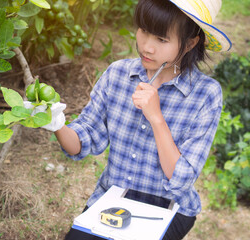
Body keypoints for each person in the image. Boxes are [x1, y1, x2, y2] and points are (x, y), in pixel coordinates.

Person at [25, 0, 232, 239]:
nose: (147, 47)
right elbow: (83, 141)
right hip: (114, 198)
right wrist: (57, 124)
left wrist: (156, 117)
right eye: (144, 31)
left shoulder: (206, 94)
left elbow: (181, 178)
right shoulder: (118, 74)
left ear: (190, 43)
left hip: (170, 207)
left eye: (161, 40)